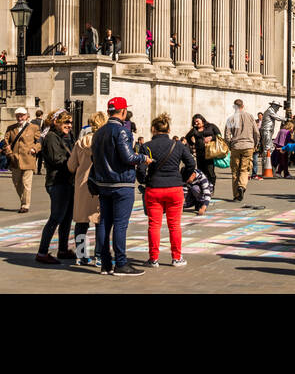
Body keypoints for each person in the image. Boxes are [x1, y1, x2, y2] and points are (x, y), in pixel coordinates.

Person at [90, 96, 150, 276]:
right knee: (120, 225)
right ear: (123, 111)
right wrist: (143, 158)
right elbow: (128, 157)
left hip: (103, 182)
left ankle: (105, 263)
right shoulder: (122, 131)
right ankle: (121, 263)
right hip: (121, 183)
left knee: (105, 224)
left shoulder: (98, 132)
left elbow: (95, 158)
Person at [140, 113, 197, 267]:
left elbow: (140, 168)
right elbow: (191, 163)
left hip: (154, 188)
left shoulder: (146, 146)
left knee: (154, 224)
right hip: (174, 188)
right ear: (169, 129)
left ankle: (153, 258)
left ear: (153, 129)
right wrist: (183, 177)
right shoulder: (177, 145)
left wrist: (144, 180)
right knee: (174, 225)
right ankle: (176, 257)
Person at [34, 110, 77, 264]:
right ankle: (42, 252)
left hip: (68, 181)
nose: (69, 125)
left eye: (70, 123)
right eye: (66, 122)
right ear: (56, 123)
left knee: (67, 218)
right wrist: (73, 162)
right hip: (57, 181)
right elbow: (56, 159)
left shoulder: (66, 136)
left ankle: (63, 249)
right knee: (56, 217)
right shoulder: (51, 137)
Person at [67, 111, 106, 266]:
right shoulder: (105, 141)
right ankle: (100, 256)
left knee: (81, 222)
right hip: (101, 184)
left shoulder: (81, 142)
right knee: (100, 221)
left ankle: (81, 255)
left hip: (83, 185)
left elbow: (71, 166)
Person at [2, 107, 42, 213]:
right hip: (15, 159)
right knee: (16, 183)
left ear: (27, 116)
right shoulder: (11, 128)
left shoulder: (34, 127)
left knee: (26, 183)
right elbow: (6, 143)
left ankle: (25, 205)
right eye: (18, 116)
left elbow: (39, 141)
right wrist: (10, 154)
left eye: (22, 115)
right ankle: (23, 201)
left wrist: (35, 148)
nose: (20, 118)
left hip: (28, 159)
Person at [224, 98, 258, 201]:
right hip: (248, 145)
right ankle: (242, 186)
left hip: (236, 145)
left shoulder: (231, 119)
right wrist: (255, 144)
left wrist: (230, 145)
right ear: (243, 106)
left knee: (235, 171)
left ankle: (236, 195)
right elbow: (256, 132)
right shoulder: (250, 116)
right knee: (244, 169)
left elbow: (227, 135)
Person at [184, 114, 220, 196]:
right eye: (194, 122)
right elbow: (187, 138)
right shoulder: (194, 130)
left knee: (210, 172)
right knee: (201, 172)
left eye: (197, 121)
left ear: (202, 119)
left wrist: (211, 138)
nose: (196, 123)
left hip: (210, 153)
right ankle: (204, 188)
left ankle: (211, 187)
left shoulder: (211, 126)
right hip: (200, 154)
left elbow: (219, 135)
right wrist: (191, 146)